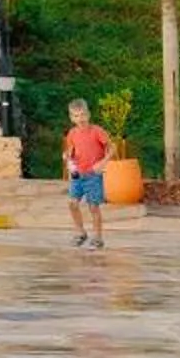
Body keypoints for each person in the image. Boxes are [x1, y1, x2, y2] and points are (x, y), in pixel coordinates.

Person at [63, 97, 110, 252]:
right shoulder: (72, 133)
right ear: (71, 118)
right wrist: (67, 158)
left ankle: (97, 238)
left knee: (93, 206)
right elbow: (71, 151)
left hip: (93, 175)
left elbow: (112, 147)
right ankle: (80, 233)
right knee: (72, 203)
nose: (80, 119)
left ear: (88, 115)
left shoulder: (97, 131)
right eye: (76, 116)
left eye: (82, 115)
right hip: (78, 175)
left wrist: (103, 162)